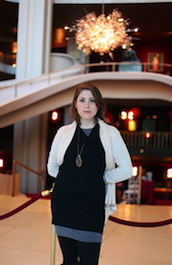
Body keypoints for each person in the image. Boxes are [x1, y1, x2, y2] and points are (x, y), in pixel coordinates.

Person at [47, 82, 133, 265]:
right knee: (69, 261)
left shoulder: (110, 133)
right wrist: (70, 180)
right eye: (82, 100)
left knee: (89, 261)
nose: (87, 105)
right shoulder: (63, 132)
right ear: (75, 104)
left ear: (99, 105)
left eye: (92, 101)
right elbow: (52, 168)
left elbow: (126, 169)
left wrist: (101, 178)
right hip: (64, 206)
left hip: (92, 209)